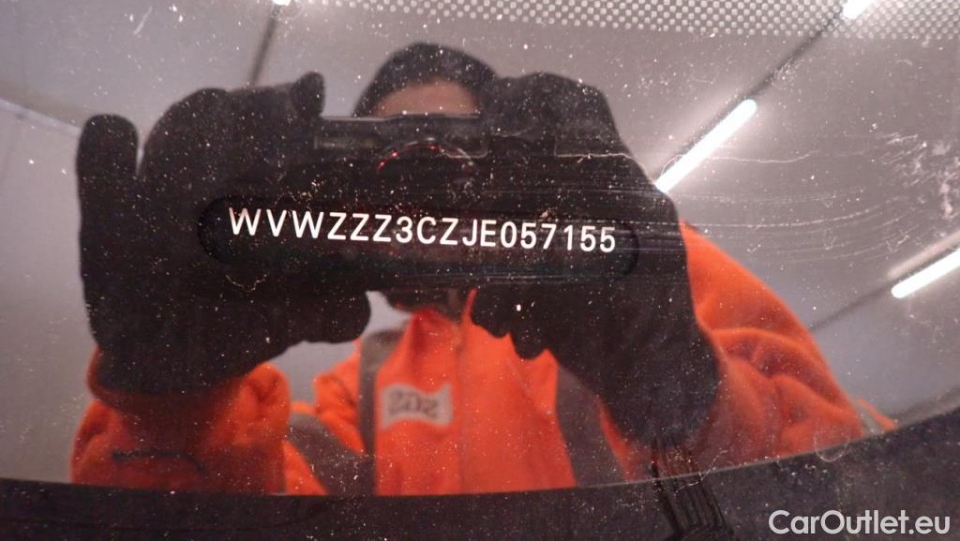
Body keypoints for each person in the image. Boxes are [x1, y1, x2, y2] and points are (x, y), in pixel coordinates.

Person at [71, 43, 891, 496]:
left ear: (516, 164)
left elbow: (842, 488)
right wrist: (170, 408)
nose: (428, 184)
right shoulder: (363, 386)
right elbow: (251, 517)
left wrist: (685, 388)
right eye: (396, 159)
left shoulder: (633, 275)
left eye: (456, 154)